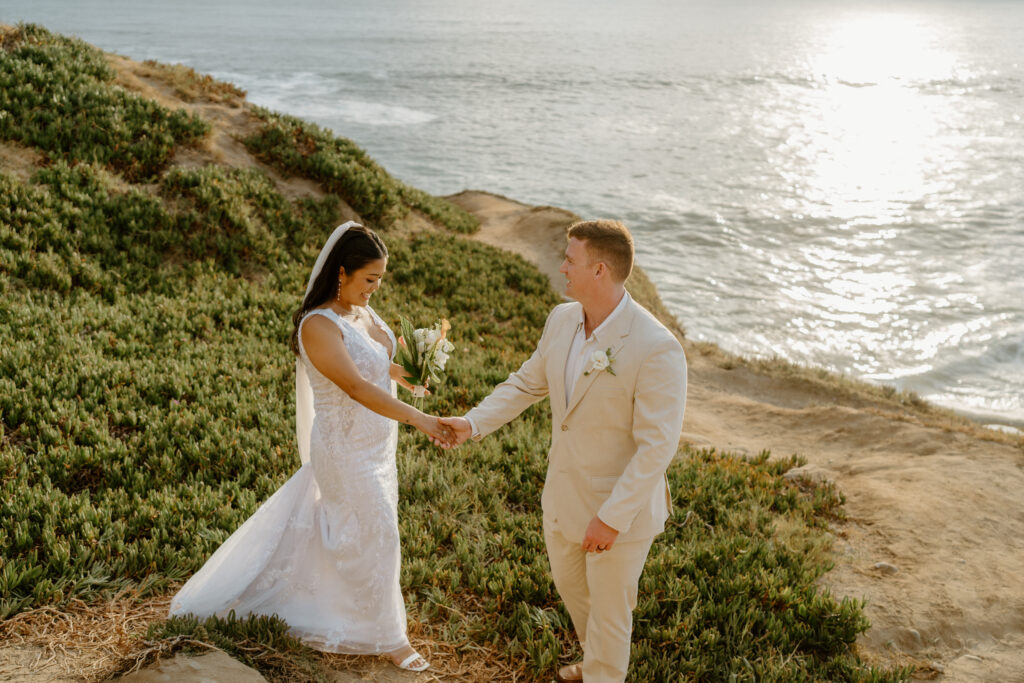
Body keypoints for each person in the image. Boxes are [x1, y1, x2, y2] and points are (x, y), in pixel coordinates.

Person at [169, 222, 454, 673]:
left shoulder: (361, 314)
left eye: (380, 280)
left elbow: (376, 366)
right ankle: (389, 637)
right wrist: (421, 420)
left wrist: (410, 373)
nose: (375, 290)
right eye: (370, 280)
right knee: (377, 533)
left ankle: (348, 608)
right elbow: (356, 386)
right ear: (341, 273)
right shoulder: (318, 325)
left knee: (356, 533)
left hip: (377, 445)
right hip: (344, 450)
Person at [439, 220, 687, 683]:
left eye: (570, 260)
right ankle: (595, 665)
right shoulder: (562, 319)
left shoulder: (656, 348)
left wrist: (612, 517)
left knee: (611, 615)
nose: (561, 267)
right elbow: (525, 383)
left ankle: (603, 674)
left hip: (619, 512)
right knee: (576, 596)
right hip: (563, 499)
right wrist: (472, 424)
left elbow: (658, 447)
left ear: (599, 270)